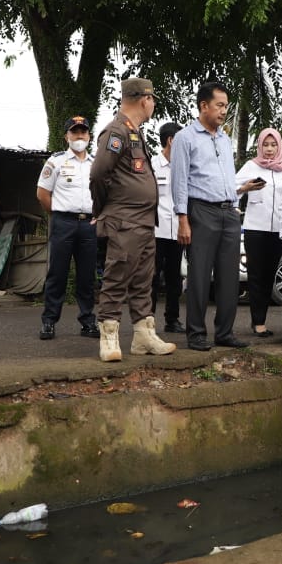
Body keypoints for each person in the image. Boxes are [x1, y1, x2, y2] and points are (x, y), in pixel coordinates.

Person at [89, 77, 175, 362]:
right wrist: (103, 209)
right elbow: (99, 174)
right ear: (143, 100)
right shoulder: (116, 131)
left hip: (144, 221)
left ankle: (143, 335)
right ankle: (109, 336)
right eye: (152, 100)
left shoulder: (135, 133)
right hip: (124, 220)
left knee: (143, 279)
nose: (153, 105)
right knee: (117, 277)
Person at [170, 80, 247, 351]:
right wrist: (183, 218)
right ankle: (196, 333)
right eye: (219, 105)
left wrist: (236, 206)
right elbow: (179, 181)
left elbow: (228, 177)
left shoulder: (225, 139)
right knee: (200, 275)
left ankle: (224, 332)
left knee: (229, 277)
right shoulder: (185, 138)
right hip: (201, 211)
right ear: (204, 106)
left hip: (229, 212)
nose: (224, 111)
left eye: (226, 106)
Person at [36, 115, 100, 341]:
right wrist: (58, 213)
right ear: (67, 136)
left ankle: (88, 322)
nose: (79, 136)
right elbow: (42, 194)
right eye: (75, 132)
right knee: (57, 273)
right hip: (63, 222)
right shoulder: (56, 162)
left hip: (89, 224)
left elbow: (103, 194)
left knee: (87, 276)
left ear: (89, 136)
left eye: (83, 132)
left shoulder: (96, 163)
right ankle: (49, 322)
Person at [235, 127, 282, 338]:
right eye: (265, 145)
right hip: (255, 229)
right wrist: (245, 188)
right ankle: (257, 323)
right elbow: (231, 187)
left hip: (277, 231)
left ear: (279, 146)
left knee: (270, 275)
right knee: (256, 275)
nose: (269, 149)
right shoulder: (251, 166)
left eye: (273, 145)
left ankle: (263, 320)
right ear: (259, 146)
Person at [151, 122, 185, 334]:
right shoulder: (152, 164)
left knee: (175, 278)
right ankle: (148, 321)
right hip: (155, 231)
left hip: (178, 230)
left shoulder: (185, 166)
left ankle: (172, 320)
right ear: (171, 140)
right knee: (152, 277)